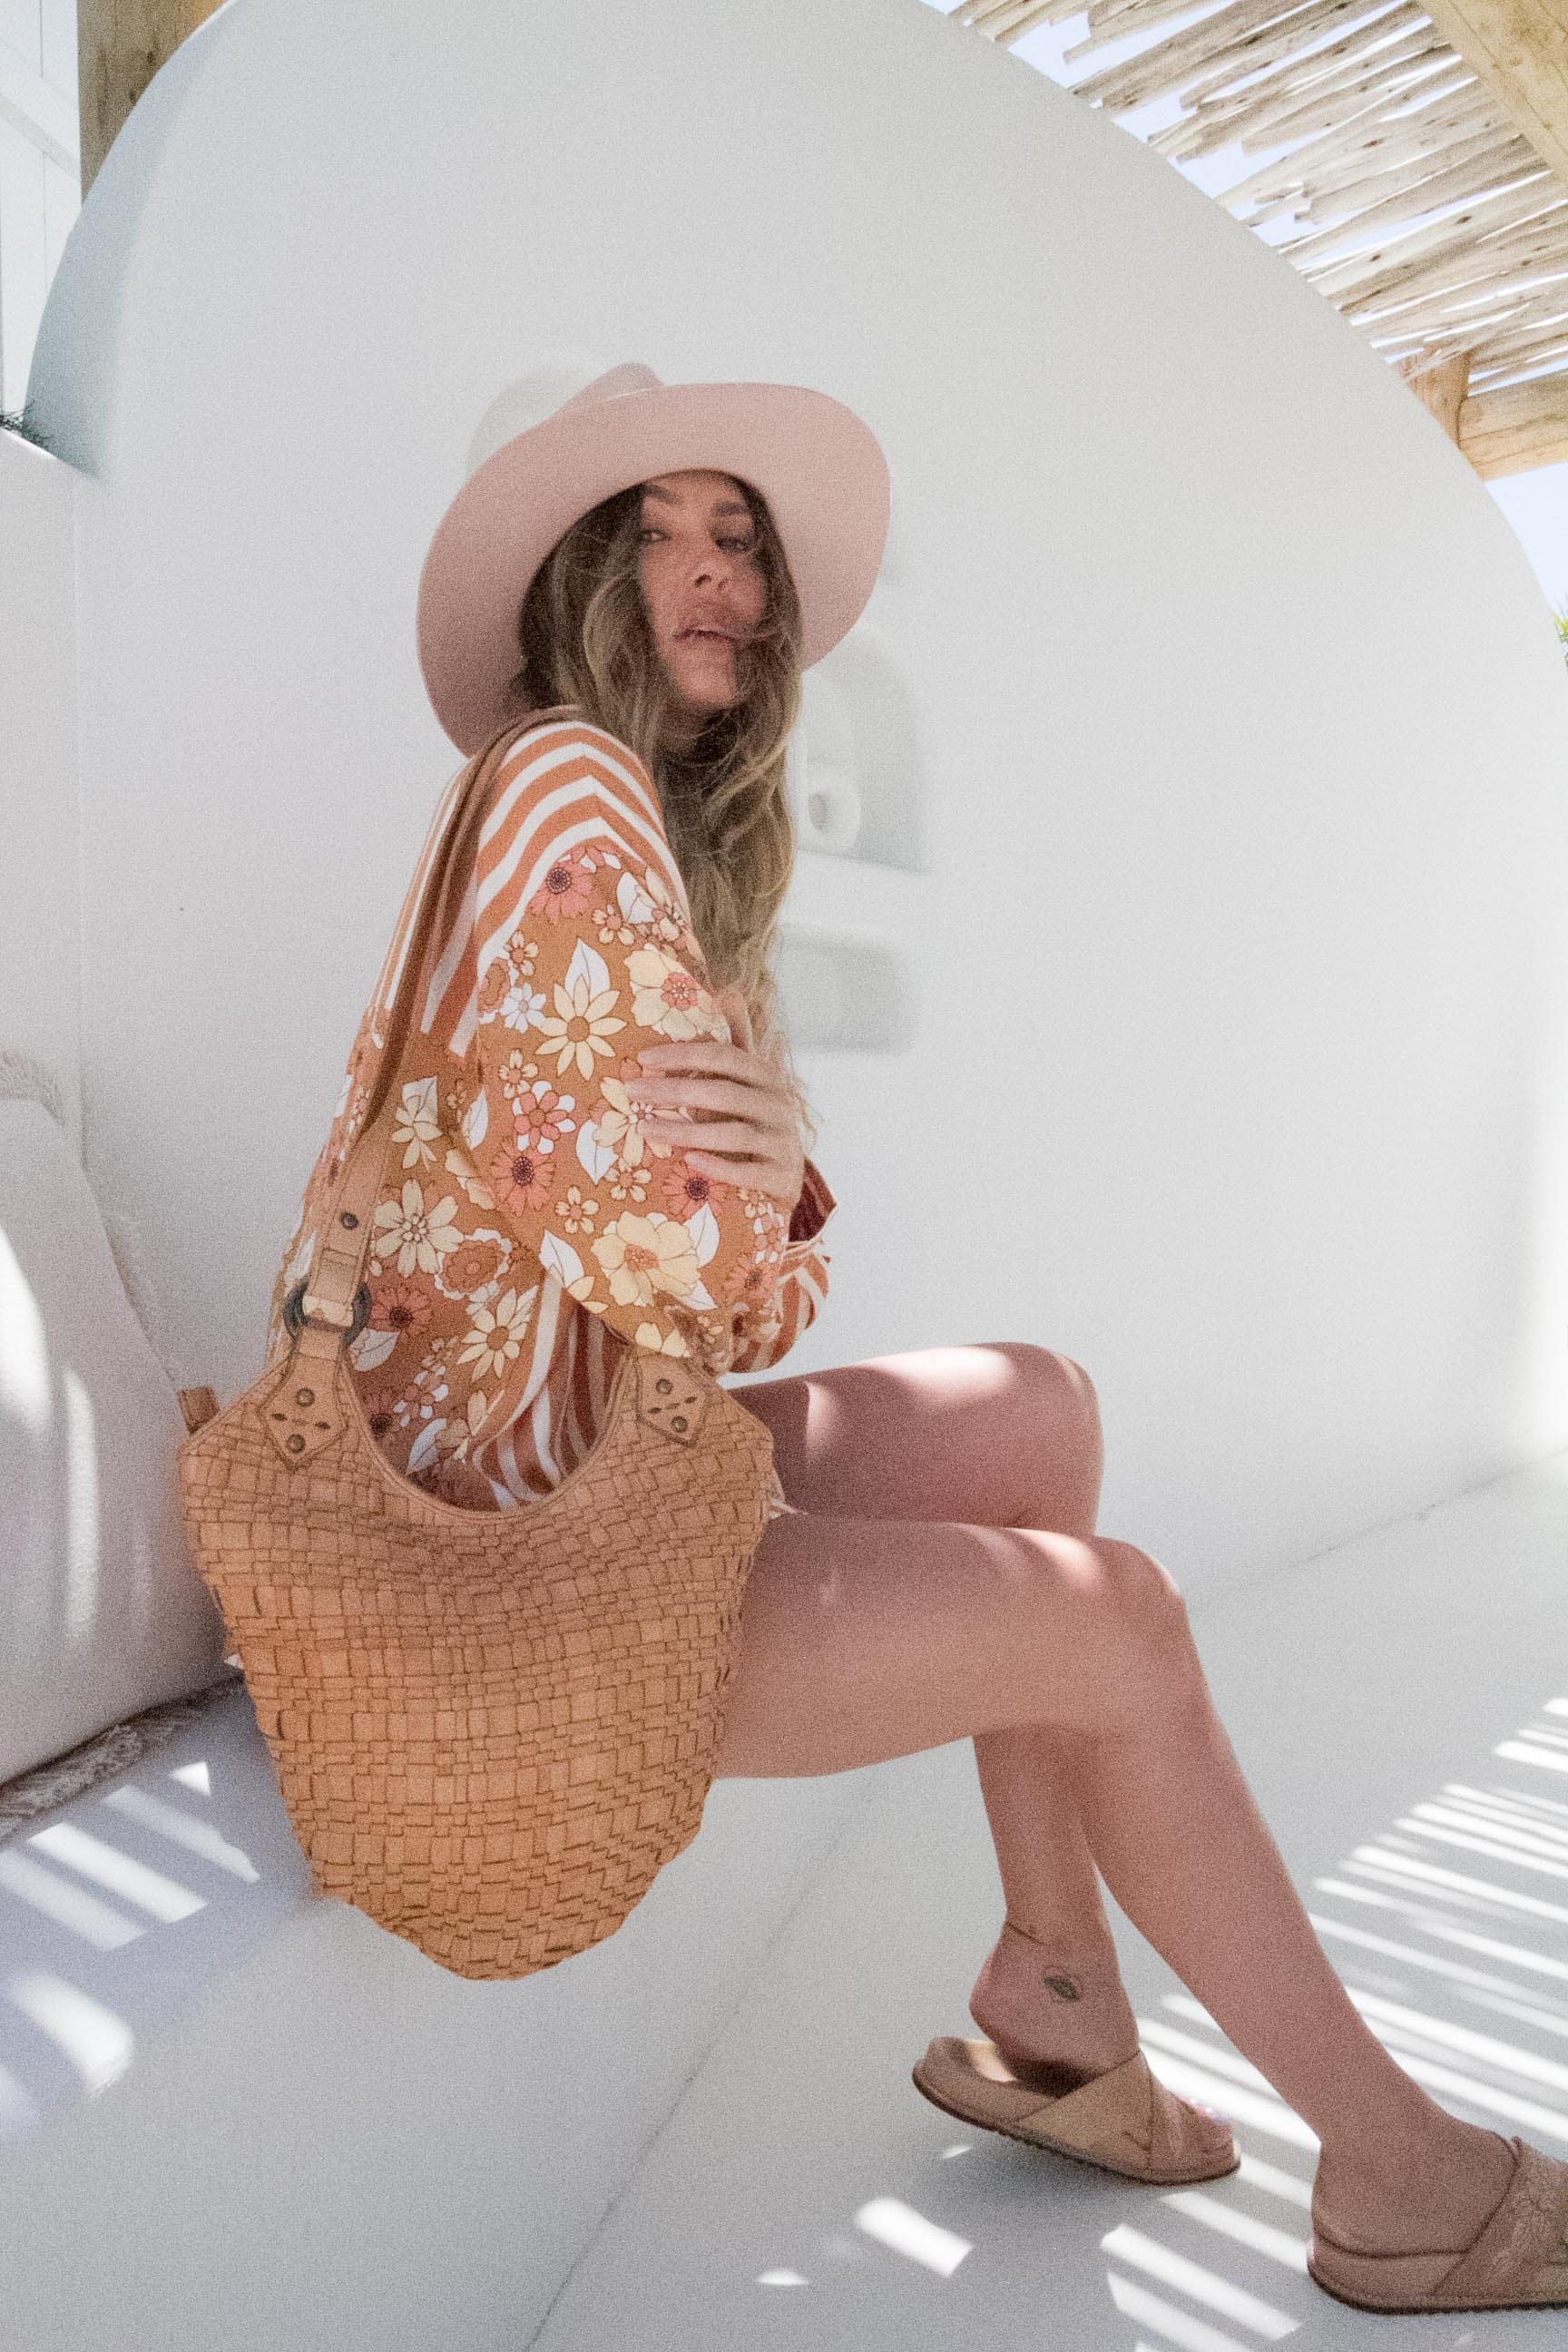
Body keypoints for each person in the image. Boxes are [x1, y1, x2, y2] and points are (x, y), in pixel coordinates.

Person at [271, 365, 1568, 2318]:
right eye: (656, 534)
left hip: (572, 1467)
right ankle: (1403, 2178)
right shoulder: (568, 789)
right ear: (574, 585)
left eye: (737, 538)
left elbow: (696, 1276)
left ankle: (1060, 1992)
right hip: (499, 1583)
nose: (716, 576)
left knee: (1036, 1409)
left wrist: (765, 1192)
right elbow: (682, 1280)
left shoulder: (597, 814)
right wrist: (773, 1188)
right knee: (1115, 1621)